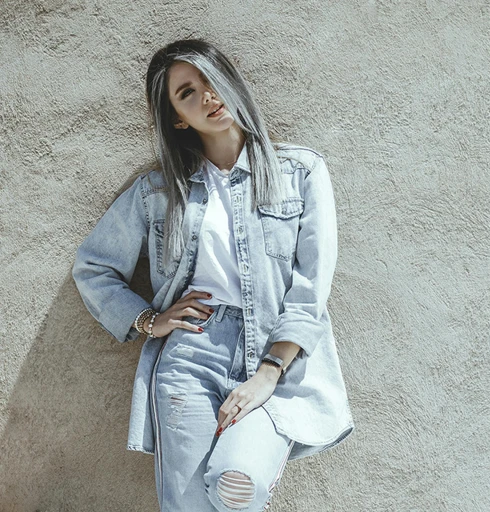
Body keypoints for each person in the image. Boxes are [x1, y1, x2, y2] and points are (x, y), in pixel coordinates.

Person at [71, 38, 354, 511]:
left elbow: (310, 291)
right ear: (179, 118)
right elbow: (93, 267)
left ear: (230, 81)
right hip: (190, 355)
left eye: (210, 81)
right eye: (186, 93)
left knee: (236, 486)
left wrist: (269, 371)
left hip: (275, 355)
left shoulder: (300, 172)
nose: (206, 96)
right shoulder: (158, 191)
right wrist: (147, 320)